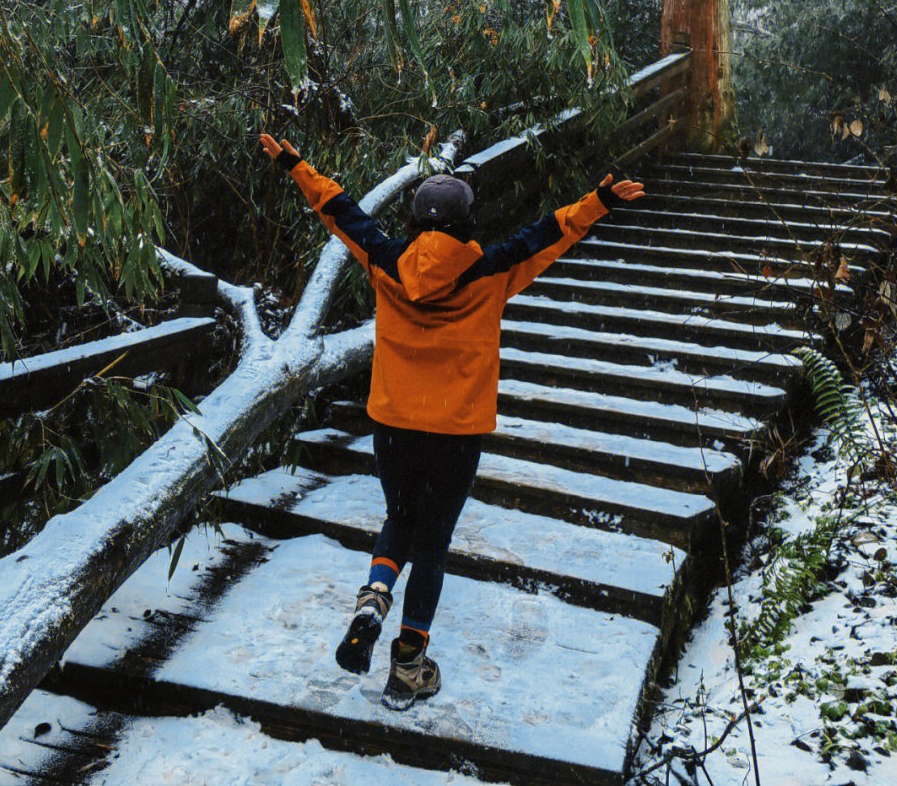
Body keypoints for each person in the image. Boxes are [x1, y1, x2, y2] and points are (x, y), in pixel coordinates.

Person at [260, 132, 644, 711]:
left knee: (400, 518)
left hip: (394, 425)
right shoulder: (490, 271)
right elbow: (548, 232)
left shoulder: (386, 260)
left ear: (416, 223)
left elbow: (339, 211)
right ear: (467, 223)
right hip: (457, 432)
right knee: (433, 544)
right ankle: (408, 665)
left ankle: (374, 597)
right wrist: (600, 202)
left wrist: (295, 163)